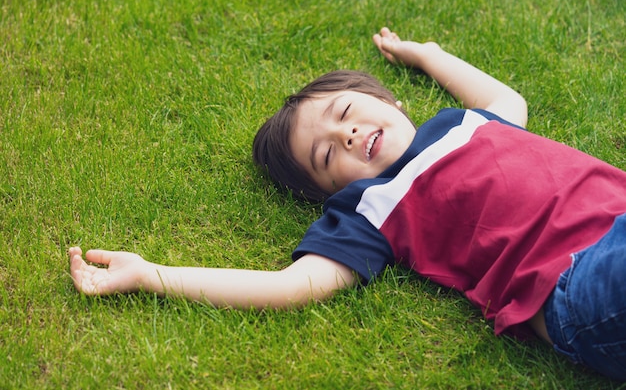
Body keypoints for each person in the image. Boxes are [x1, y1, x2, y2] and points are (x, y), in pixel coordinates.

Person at [69, 27, 626, 381]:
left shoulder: (466, 123)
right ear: (330, 193)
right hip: (575, 285)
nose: (350, 135)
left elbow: (507, 99)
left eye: (347, 113)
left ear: (384, 99)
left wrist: (427, 55)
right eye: (326, 154)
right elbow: (291, 287)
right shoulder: (372, 208)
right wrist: (150, 274)